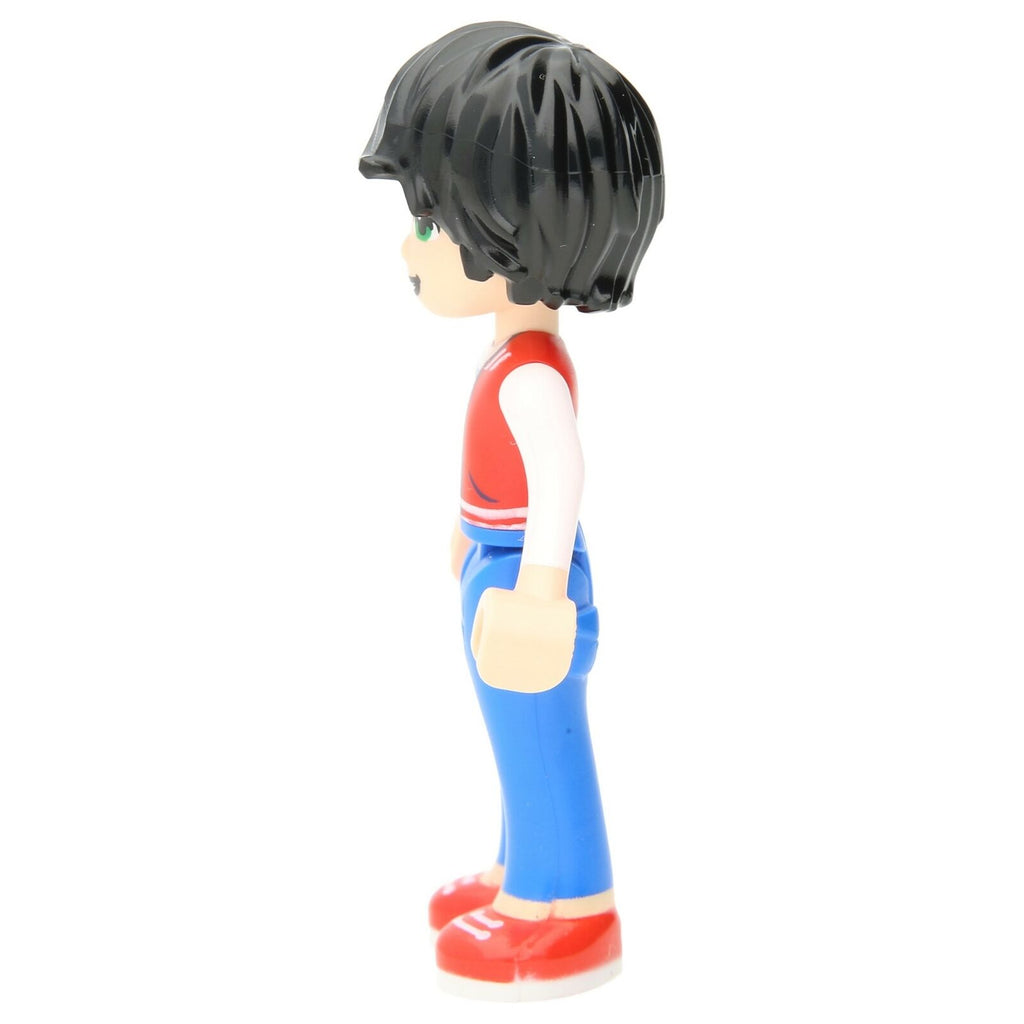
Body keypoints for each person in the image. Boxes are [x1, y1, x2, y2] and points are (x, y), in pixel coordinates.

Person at [359, 21, 664, 1000]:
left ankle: (570, 910)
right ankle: (517, 877)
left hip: (531, 581)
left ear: (509, 233)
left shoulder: (530, 373)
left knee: (540, 740)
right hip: (503, 566)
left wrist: (536, 592)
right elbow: (514, 480)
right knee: (516, 738)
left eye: (431, 222)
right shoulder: (512, 357)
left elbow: (561, 478)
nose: (412, 245)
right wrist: (472, 536)